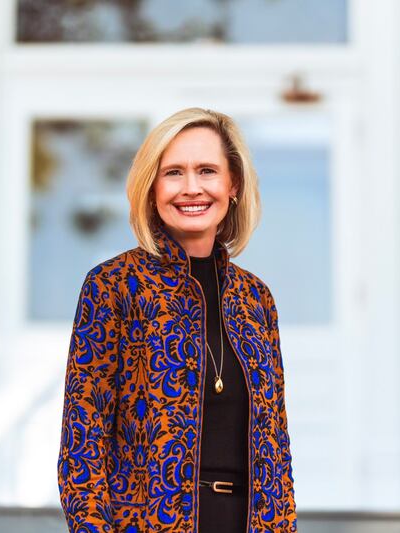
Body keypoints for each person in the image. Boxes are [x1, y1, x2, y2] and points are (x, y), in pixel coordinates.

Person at [57, 108, 296, 532]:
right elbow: (83, 444)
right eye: (173, 173)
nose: (191, 188)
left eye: (207, 171)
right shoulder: (114, 286)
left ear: (233, 185)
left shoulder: (256, 299)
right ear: (151, 188)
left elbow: (276, 449)